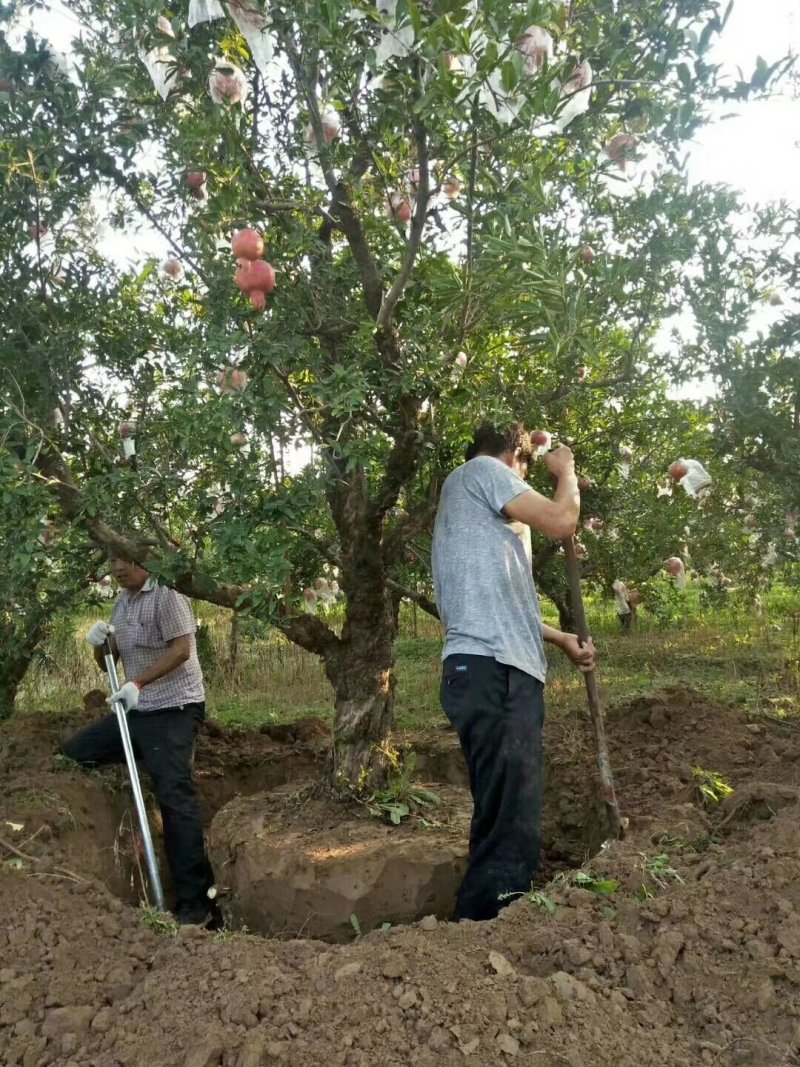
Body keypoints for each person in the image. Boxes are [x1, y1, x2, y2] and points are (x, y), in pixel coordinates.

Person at [432, 422, 596, 922]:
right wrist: (564, 471)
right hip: (496, 671)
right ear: (515, 458)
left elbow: (503, 602)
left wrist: (562, 638)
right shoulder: (485, 470)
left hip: (479, 668)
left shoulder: (469, 516)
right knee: (513, 817)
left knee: (499, 808)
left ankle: (478, 925)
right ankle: (493, 930)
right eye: (524, 472)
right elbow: (563, 520)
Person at [61, 557, 215, 926]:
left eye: (124, 559)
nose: (116, 567)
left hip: (175, 709)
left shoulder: (168, 594)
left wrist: (138, 683)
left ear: (144, 557)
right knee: (73, 755)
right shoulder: (122, 601)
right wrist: (100, 643)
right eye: (111, 561)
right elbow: (108, 662)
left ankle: (198, 903)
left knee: (174, 794)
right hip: (136, 710)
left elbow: (181, 650)